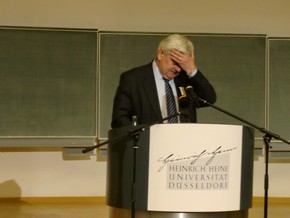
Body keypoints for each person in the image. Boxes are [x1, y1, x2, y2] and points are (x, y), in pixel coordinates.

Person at [111, 34, 216, 128]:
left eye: (182, 65)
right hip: (149, 145)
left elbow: (209, 99)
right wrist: (140, 140)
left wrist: (191, 70)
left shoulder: (186, 79)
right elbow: (119, 119)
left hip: (184, 146)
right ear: (161, 54)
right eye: (175, 62)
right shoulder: (133, 79)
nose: (178, 69)